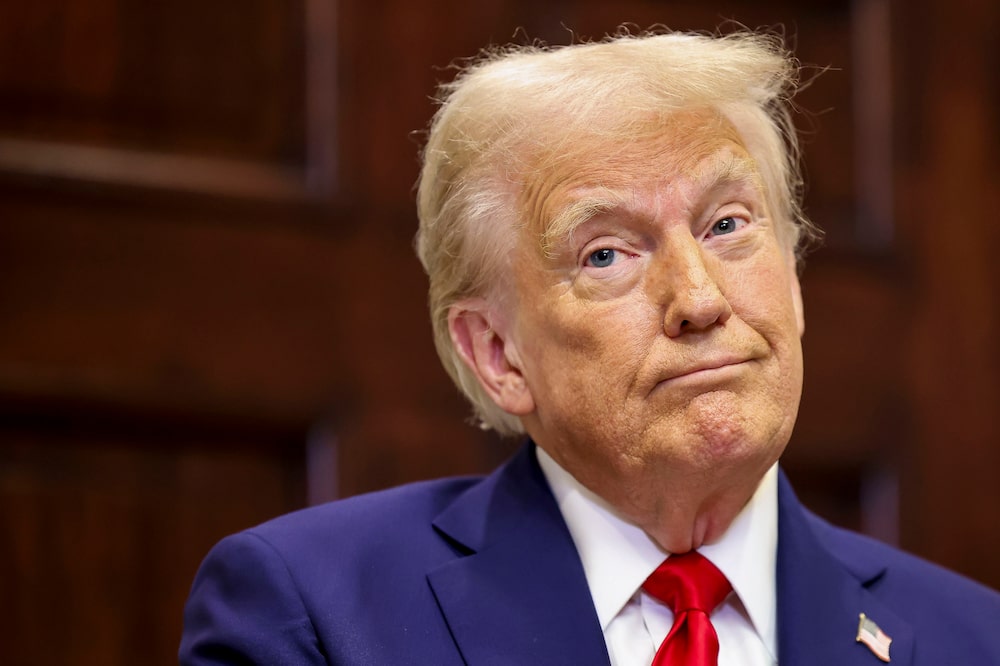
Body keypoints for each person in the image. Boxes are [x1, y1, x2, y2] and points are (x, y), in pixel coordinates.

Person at [180, 29, 1000, 665]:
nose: (701, 299)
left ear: (792, 280)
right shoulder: (315, 612)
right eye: (606, 253)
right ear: (496, 353)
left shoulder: (971, 639)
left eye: (728, 225)